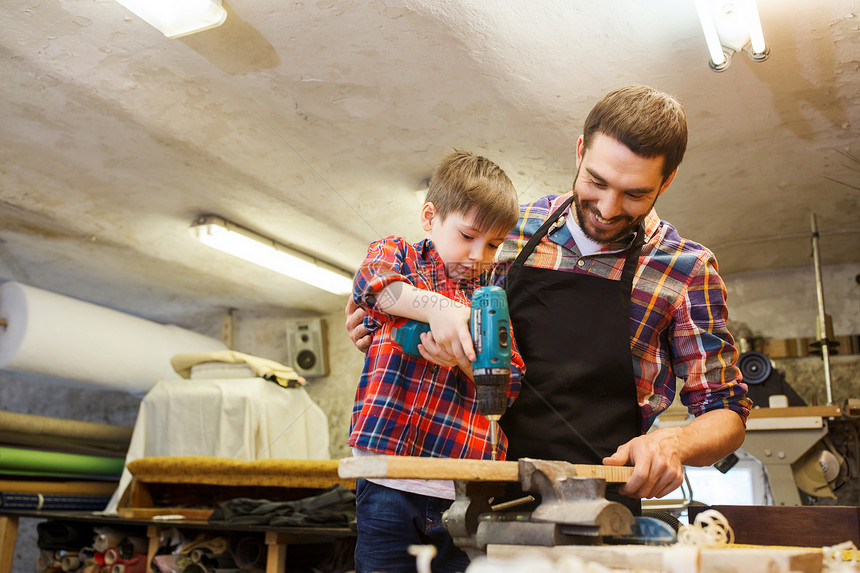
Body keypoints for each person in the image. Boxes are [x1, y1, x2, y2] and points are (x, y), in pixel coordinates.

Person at [346, 86, 751, 517]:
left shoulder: (686, 270)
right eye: (597, 182)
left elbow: (725, 411)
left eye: (634, 194)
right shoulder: (505, 231)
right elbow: (417, 284)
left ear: (666, 182)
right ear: (580, 152)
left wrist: (673, 442)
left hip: (595, 507)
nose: (609, 209)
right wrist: (388, 324)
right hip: (482, 492)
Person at [349, 149, 526, 573]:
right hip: (387, 476)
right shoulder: (399, 255)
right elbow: (373, 286)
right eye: (468, 236)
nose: (480, 255)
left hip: (464, 489)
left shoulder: (491, 301)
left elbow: (511, 380)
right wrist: (438, 309)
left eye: (494, 244)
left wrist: (466, 360)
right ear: (430, 217)